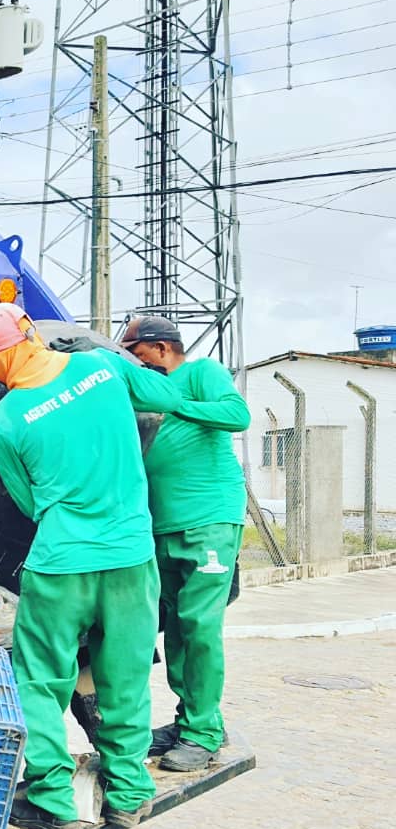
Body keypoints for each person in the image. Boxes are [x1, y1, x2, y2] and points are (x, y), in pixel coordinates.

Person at [0, 304, 183, 829]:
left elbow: (28, 501)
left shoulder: (2, 421)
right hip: (131, 559)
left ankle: (54, 802)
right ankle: (129, 795)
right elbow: (166, 399)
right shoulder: (102, 370)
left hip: (61, 564)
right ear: (32, 334)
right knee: (126, 677)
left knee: (40, 680)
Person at [121, 315, 250, 772]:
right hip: (163, 527)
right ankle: (191, 721)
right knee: (176, 627)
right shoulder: (141, 397)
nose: (135, 366)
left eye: (136, 355)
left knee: (198, 625)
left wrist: (174, 403)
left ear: (159, 349)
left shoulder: (201, 374)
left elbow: (239, 415)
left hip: (208, 520)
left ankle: (204, 733)